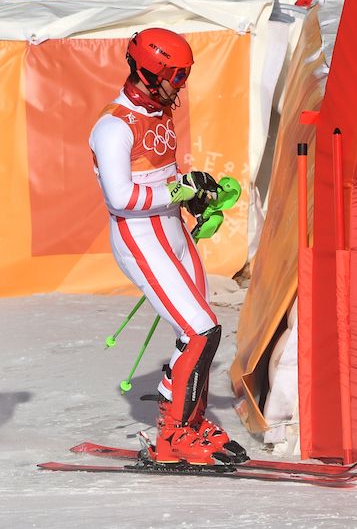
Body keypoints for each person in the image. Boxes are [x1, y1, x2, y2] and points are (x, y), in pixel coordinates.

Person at [89, 28, 245, 465]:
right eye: (175, 75)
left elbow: (161, 178)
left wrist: (196, 193)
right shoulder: (113, 126)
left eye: (185, 75)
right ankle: (172, 438)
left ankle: (189, 427)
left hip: (172, 232)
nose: (181, 84)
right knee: (201, 329)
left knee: (199, 331)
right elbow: (120, 197)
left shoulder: (159, 112)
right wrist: (176, 194)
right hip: (140, 239)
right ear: (148, 69)